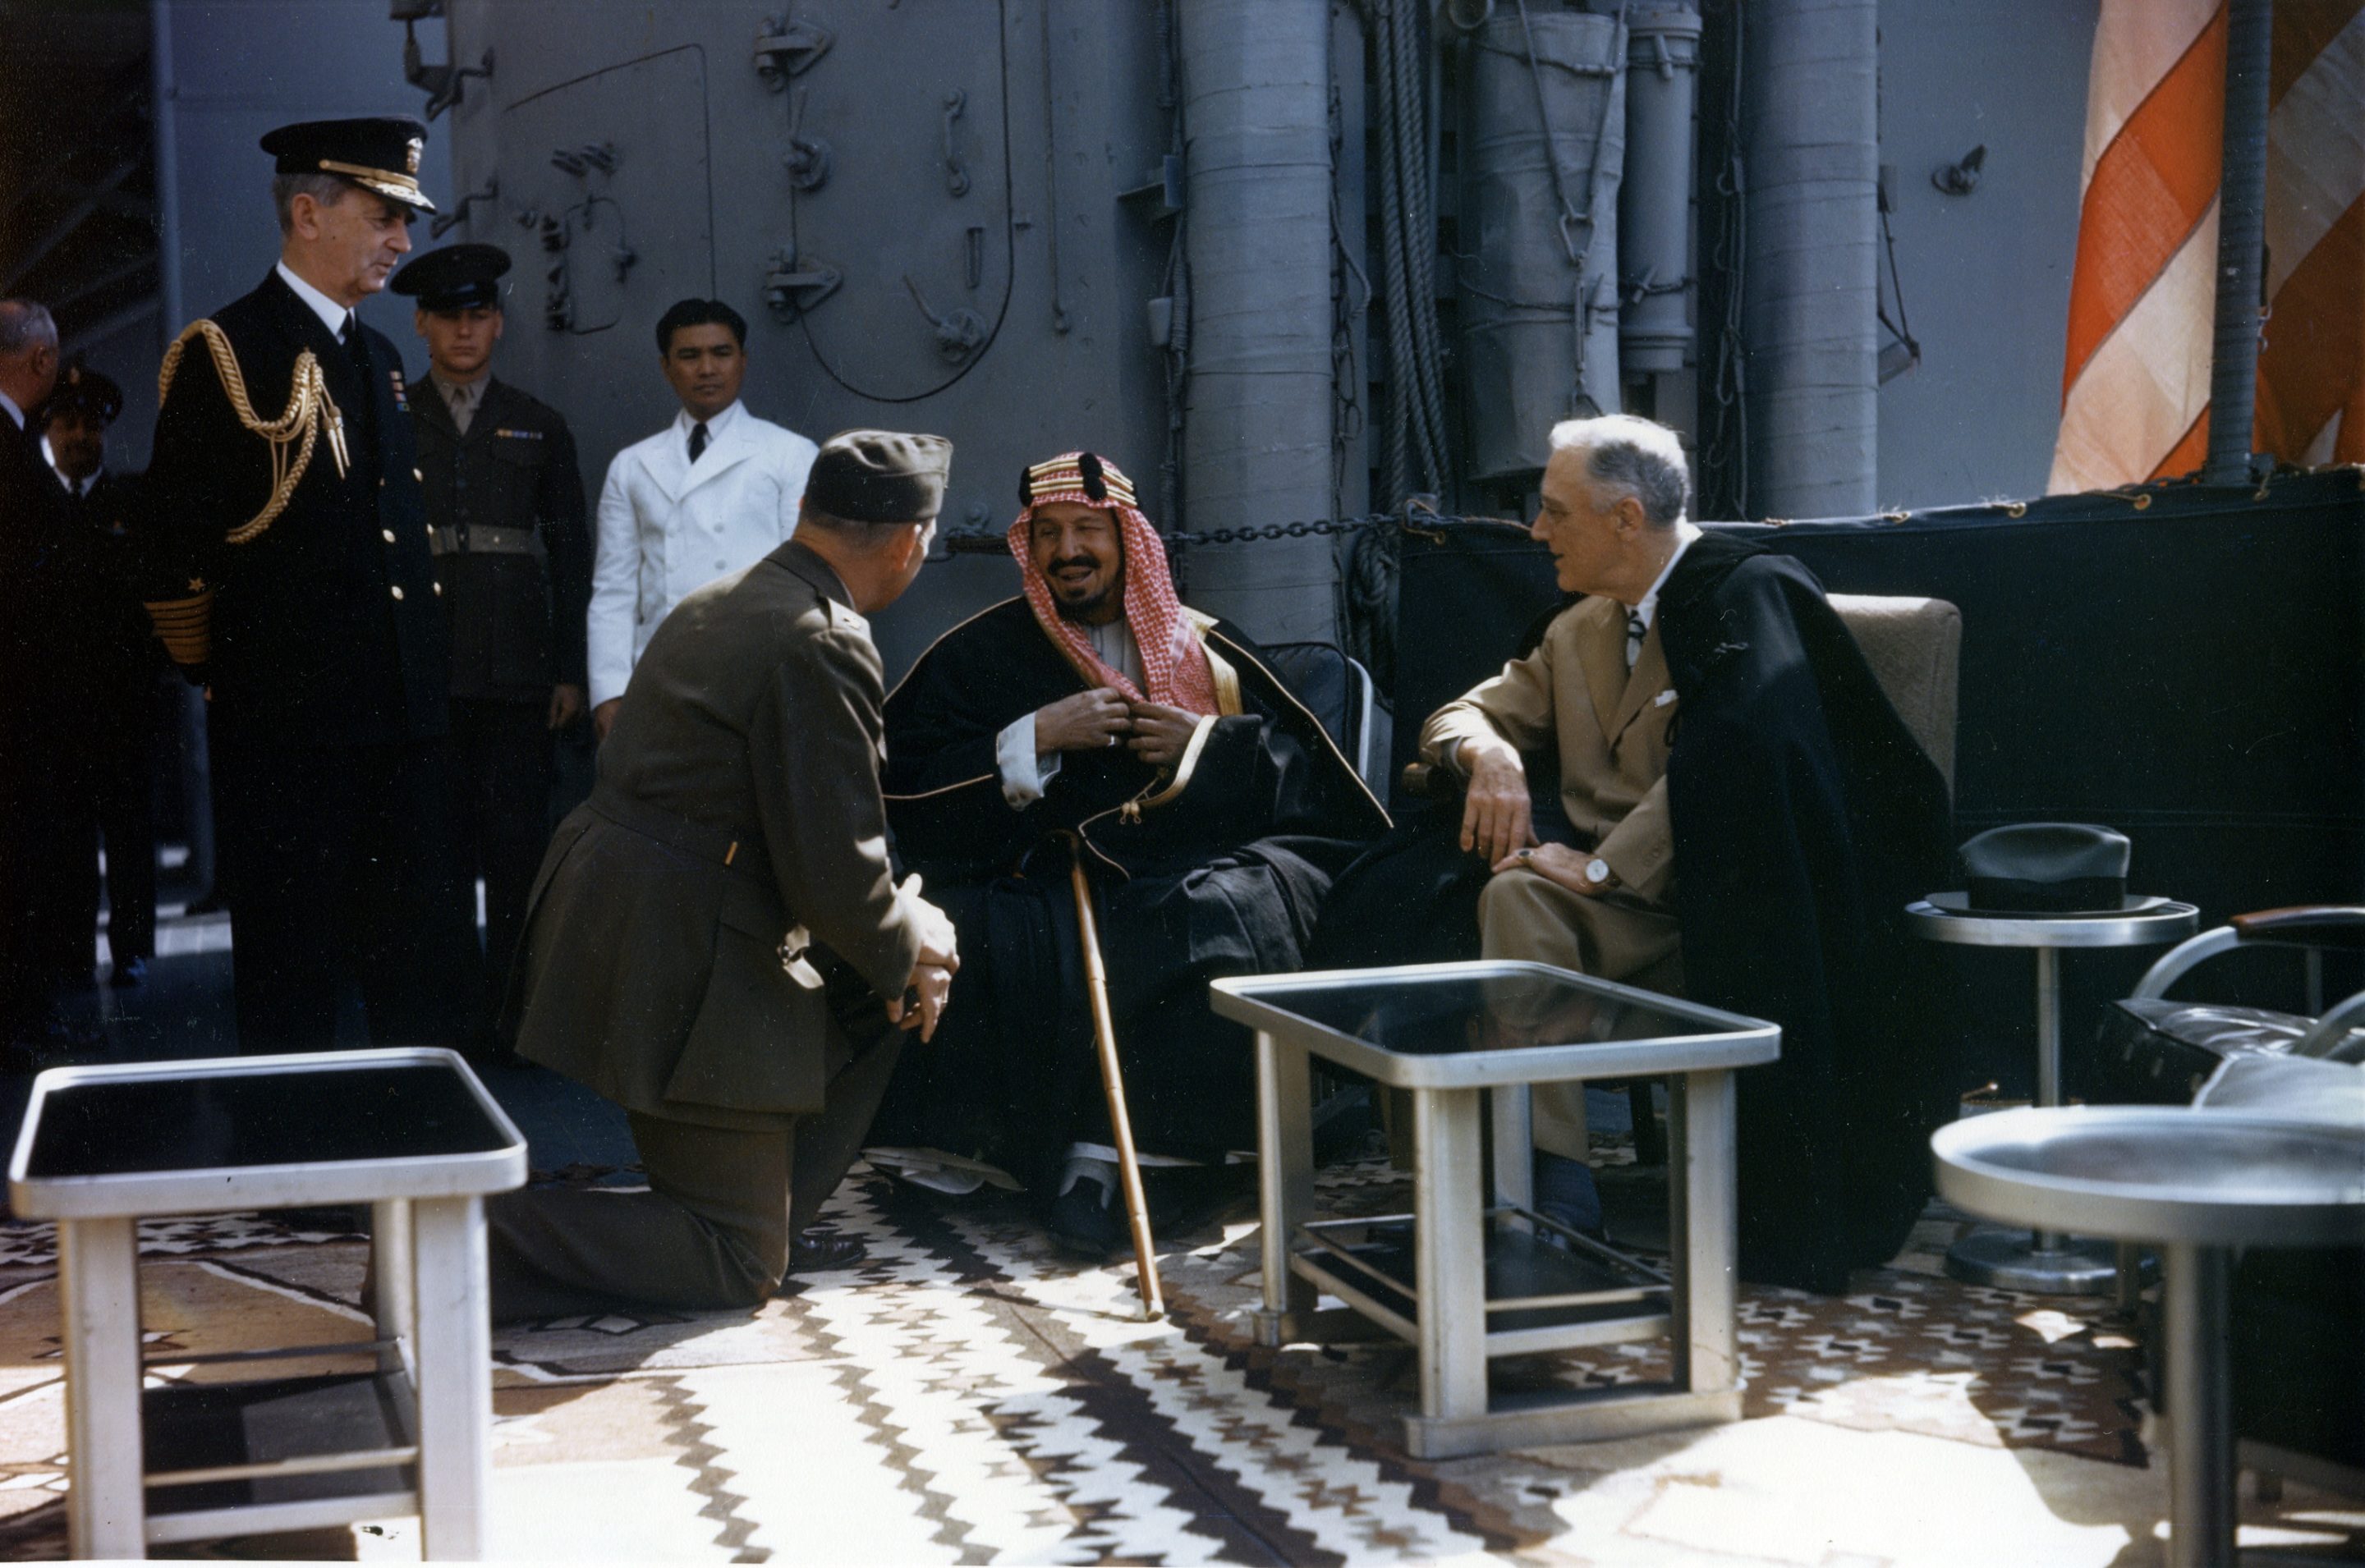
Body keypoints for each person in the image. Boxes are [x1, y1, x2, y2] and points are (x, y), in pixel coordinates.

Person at [1401, 413, 1953, 1293]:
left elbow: (1733, 758)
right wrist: (1491, 755)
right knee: (1511, 895)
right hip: (1621, 925)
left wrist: (1600, 867)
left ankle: (1550, 1160)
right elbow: (1460, 715)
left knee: (1530, 912)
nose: (1537, 532)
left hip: (1730, 919)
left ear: (1625, 518)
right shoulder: (1577, 631)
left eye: (1555, 512)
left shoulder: (1749, 594)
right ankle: (1555, 1186)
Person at [489, 429, 959, 1319]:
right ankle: (472, 1240)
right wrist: (915, 935)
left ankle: (763, 1211)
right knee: (735, 1262)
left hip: (631, 911)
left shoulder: (728, 595)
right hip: (676, 942)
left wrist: (898, 946)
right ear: (910, 542)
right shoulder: (824, 638)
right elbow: (836, 871)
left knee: (886, 987)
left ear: (805, 515)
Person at [870, 450, 1389, 1256]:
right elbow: (909, 786)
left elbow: (1313, 785)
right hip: (1051, 869)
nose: (1068, 550)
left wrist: (1207, 742)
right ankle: (1013, 1150)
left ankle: (1152, 1150)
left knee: (1219, 910)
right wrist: (1033, 738)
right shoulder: (980, 652)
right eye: (1048, 534)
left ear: (1129, 537)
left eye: (1088, 529)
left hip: (1192, 868)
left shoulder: (1207, 649)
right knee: (987, 926)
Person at [138, 117, 462, 1057]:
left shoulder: (382, 361)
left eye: (405, 220)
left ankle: (409, 1181)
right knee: (293, 978)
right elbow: (174, 550)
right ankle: (297, 1192)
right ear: (308, 213)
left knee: (412, 972)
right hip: (288, 732)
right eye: (383, 216)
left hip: (400, 730)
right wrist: (226, 671)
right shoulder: (226, 352)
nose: (402, 241)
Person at [390, 243, 591, 1052]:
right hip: (426, 671)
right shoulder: (392, 418)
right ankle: (446, 1020)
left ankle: (514, 1018)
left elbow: (572, 555)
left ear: (498, 324)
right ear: (422, 324)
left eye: (478, 316)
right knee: (431, 855)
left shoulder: (538, 423)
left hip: (516, 672)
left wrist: (570, 669)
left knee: (517, 852)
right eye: (449, 317)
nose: (464, 331)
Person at [586, 298, 816, 741]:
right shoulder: (632, 465)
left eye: (721, 353)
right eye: (689, 356)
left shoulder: (790, 454)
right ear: (666, 367)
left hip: (758, 674)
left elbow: (804, 583)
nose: (707, 368)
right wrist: (609, 692)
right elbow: (614, 590)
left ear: (742, 361)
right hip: (659, 678)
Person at [43, 364, 168, 990]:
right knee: (64, 841)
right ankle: (70, 953)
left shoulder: (130, 505)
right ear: (49, 431)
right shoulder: (33, 506)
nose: (79, 437)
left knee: (127, 836)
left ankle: (132, 949)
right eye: (67, 424)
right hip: (54, 709)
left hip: (122, 705)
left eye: (90, 425)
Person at [0, 298, 74, 1059]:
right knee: (24, 862)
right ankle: (23, 1017)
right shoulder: (13, 446)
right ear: (41, 363)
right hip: (21, 703)